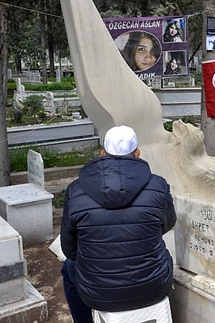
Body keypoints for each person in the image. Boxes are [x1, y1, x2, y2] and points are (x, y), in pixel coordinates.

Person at [60, 125, 176, 322]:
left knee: (70, 267)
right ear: (138, 153)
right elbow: (167, 224)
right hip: (154, 287)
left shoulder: (75, 190)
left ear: (103, 153)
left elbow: (69, 248)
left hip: (98, 292)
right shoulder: (158, 185)